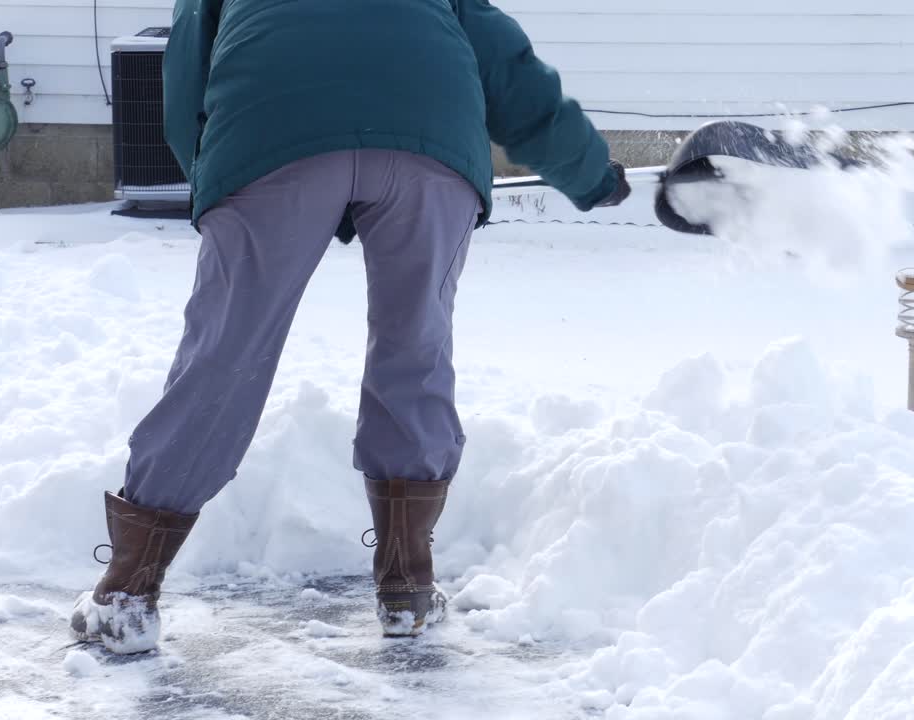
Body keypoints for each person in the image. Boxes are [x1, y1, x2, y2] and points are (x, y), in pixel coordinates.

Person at [69, 0, 631, 653]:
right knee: (414, 347)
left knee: (226, 354)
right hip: (429, 133)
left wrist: (218, 180)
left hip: (270, 130)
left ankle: (128, 593)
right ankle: (408, 591)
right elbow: (511, 75)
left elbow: (184, 84)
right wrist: (592, 174)